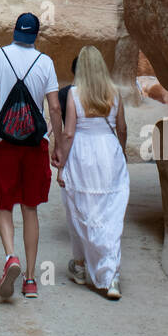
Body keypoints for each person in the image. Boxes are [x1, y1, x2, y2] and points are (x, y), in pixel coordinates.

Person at [0, 12, 63, 299]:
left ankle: (10, 256)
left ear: (14, 31)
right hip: (34, 145)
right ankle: (29, 279)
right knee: (30, 208)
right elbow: (54, 109)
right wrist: (58, 145)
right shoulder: (45, 63)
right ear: (36, 36)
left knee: (4, 205)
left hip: (4, 142)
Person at [57, 45, 128, 300]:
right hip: (108, 153)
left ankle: (80, 265)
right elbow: (121, 128)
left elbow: (68, 133)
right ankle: (112, 275)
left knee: (80, 208)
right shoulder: (115, 94)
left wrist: (62, 164)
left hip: (82, 154)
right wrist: (119, 154)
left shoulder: (74, 94)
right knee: (111, 213)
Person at [57, 57, 78, 125]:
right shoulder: (94, 92)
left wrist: (47, 134)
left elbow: (56, 113)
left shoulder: (64, 92)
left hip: (71, 133)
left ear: (72, 70)